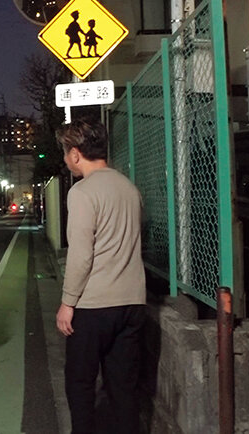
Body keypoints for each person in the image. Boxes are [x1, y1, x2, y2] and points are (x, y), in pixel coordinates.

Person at [55, 117, 147, 433]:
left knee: (80, 383)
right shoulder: (129, 188)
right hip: (133, 303)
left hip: (94, 306)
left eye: (65, 153)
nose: (65, 160)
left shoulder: (82, 192)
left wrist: (68, 302)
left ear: (75, 153)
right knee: (123, 388)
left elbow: (81, 255)